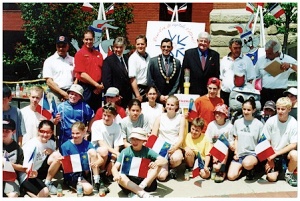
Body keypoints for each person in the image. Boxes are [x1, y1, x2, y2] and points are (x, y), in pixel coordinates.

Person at [111, 127, 167, 198]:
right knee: (120, 174)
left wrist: (156, 163)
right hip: (129, 182)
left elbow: (164, 160)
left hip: (145, 182)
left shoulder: (147, 150)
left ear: (143, 141)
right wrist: (115, 175)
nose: (134, 142)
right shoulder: (125, 151)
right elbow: (115, 167)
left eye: (137, 139)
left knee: (159, 165)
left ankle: (138, 190)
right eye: (132, 139)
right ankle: (143, 194)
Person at [262, 97, 297, 187]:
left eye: (283, 109)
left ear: (289, 109)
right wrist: (269, 158)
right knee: (271, 178)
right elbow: (265, 141)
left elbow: (293, 144)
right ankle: (279, 171)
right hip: (272, 153)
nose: (280, 111)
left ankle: (289, 174)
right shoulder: (271, 121)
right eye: (278, 109)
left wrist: (276, 153)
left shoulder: (293, 123)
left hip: (285, 153)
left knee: (295, 154)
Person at [60, 121, 103, 195]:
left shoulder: (88, 144)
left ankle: (96, 180)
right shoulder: (65, 146)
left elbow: (100, 159)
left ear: (84, 132)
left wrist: (96, 163)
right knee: (88, 190)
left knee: (92, 151)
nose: (75, 135)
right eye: (73, 133)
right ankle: (71, 184)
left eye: (77, 133)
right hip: (74, 174)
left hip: (86, 172)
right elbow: (67, 168)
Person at [21, 120, 62, 195]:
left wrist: (51, 152)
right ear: (38, 131)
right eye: (42, 131)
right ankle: (26, 190)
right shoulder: (32, 145)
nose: (45, 134)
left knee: (57, 156)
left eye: (48, 132)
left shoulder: (51, 142)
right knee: (44, 193)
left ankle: (47, 182)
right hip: (28, 174)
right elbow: (25, 168)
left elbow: (54, 158)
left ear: (52, 132)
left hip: (40, 170)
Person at [227, 98, 263, 181]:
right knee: (231, 177)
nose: (246, 112)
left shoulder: (259, 124)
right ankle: (244, 170)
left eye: (249, 110)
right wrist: (235, 152)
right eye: (244, 109)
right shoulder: (237, 122)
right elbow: (236, 138)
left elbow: (261, 143)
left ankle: (250, 168)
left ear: (253, 110)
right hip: (239, 154)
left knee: (247, 163)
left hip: (252, 154)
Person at [255, 40, 297, 107]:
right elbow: (255, 76)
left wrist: (290, 65)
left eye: (270, 53)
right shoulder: (261, 60)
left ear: (277, 52)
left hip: (280, 92)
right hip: (265, 92)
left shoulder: (287, 59)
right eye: (266, 52)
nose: (267, 55)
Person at [151, 95, 185, 180]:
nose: (169, 107)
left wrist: (174, 148)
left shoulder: (181, 118)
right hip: (161, 148)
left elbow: (181, 137)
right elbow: (153, 135)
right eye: (168, 104)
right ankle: (165, 168)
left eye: (172, 105)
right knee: (161, 177)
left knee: (177, 158)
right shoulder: (160, 117)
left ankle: (172, 167)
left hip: (174, 147)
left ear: (177, 106)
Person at [55, 84, 94, 148]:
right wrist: (56, 120)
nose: (73, 96)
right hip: (65, 138)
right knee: (65, 156)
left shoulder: (85, 107)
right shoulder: (61, 107)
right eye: (71, 94)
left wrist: (88, 132)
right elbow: (54, 122)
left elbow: (92, 117)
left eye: (76, 95)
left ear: (80, 97)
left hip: (79, 138)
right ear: (68, 94)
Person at [181, 31, 220, 96]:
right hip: (192, 91)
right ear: (197, 41)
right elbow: (184, 73)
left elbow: (216, 74)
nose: (203, 43)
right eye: (201, 41)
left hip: (209, 92)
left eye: (205, 41)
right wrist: (183, 91)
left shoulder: (215, 55)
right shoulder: (189, 54)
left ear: (209, 43)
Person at [74, 30, 104, 112]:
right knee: (85, 112)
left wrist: (99, 86)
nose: (89, 41)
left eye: (90, 39)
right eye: (86, 39)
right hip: (86, 88)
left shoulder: (98, 54)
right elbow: (82, 74)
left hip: (98, 89)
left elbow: (102, 70)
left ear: (94, 39)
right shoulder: (79, 54)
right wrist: (96, 85)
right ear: (83, 40)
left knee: (97, 112)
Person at [91, 102, 124, 177]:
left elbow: (116, 145)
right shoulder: (96, 124)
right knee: (103, 151)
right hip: (97, 151)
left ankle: (106, 172)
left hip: (110, 152)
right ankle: (101, 173)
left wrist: (112, 161)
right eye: (104, 115)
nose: (106, 118)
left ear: (114, 116)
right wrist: (118, 154)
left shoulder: (117, 127)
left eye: (109, 116)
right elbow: (101, 143)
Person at [220, 38, 256, 106]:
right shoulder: (224, 60)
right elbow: (221, 78)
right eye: (235, 48)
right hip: (225, 94)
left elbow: (251, 79)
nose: (238, 50)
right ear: (230, 48)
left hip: (240, 94)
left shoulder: (247, 60)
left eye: (239, 48)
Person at [147, 38, 182, 105]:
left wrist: (170, 95)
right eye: (164, 46)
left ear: (171, 48)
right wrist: (159, 95)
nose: (166, 48)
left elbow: (178, 81)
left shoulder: (177, 62)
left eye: (168, 47)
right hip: (156, 98)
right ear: (160, 47)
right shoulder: (153, 61)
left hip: (171, 100)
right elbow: (150, 79)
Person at [205, 104, 233, 183]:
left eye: (220, 113)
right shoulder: (211, 125)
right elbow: (208, 141)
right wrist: (214, 153)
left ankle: (222, 171)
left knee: (224, 146)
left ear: (225, 115)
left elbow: (231, 141)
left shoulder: (229, 126)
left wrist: (232, 146)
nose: (217, 115)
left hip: (225, 152)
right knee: (216, 166)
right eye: (216, 113)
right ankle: (215, 168)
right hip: (213, 149)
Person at [43, 35, 74, 104]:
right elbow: (49, 81)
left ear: (68, 46)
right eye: (59, 46)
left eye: (63, 46)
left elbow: (76, 78)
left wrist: (71, 93)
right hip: (55, 93)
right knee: (55, 114)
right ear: (56, 46)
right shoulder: (49, 61)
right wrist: (62, 93)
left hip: (70, 93)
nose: (61, 48)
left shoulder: (73, 60)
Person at [102, 37, 133, 109]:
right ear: (113, 47)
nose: (118, 50)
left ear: (124, 47)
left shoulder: (127, 58)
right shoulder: (108, 61)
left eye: (121, 47)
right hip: (115, 97)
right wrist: (113, 95)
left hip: (127, 96)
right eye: (116, 47)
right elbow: (107, 81)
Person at [3, 119, 24, 197]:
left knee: (13, 195)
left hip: (10, 177)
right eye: (1, 130)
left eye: (7, 131)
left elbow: (22, 168)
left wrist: (7, 164)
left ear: (13, 131)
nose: (3, 133)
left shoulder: (18, 149)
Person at [128, 34, 150, 102]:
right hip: (138, 89)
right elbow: (132, 78)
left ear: (146, 44)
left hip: (148, 89)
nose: (140, 46)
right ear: (135, 45)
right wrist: (138, 95)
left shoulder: (148, 56)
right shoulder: (133, 58)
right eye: (138, 44)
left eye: (142, 44)